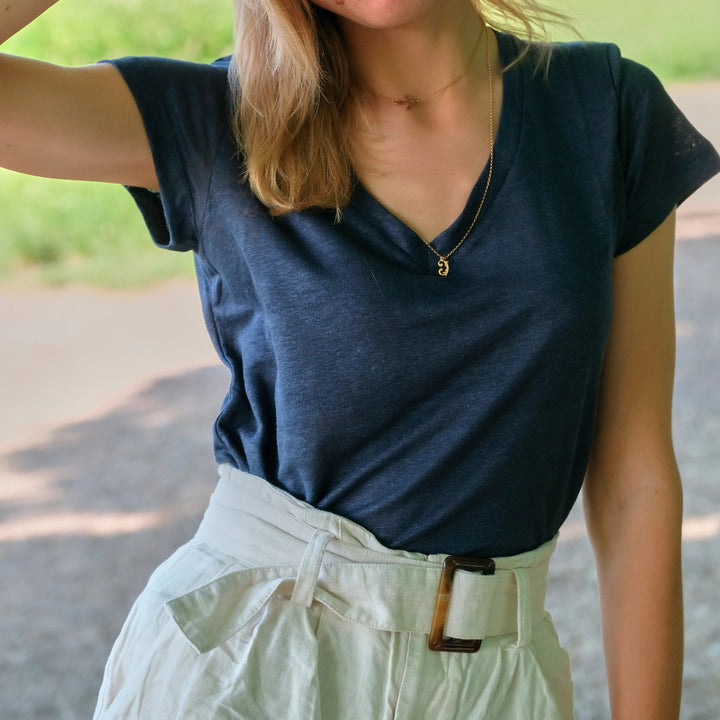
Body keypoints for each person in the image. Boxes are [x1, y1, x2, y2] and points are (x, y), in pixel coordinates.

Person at [2, 0, 719, 718]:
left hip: (501, 679)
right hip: (255, 671)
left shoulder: (606, 110)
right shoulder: (213, 119)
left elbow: (634, 482)